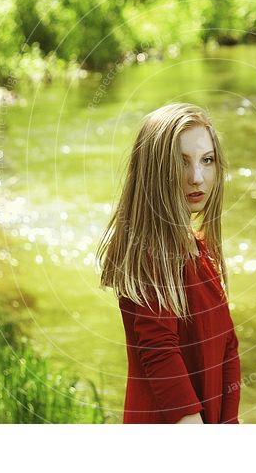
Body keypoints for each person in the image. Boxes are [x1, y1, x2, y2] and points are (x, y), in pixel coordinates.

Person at [97, 103, 241, 424]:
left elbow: (228, 347)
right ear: (154, 170)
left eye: (207, 160)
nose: (197, 177)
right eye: (182, 162)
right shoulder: (151, 254)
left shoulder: (199, 248)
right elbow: (159, 353)